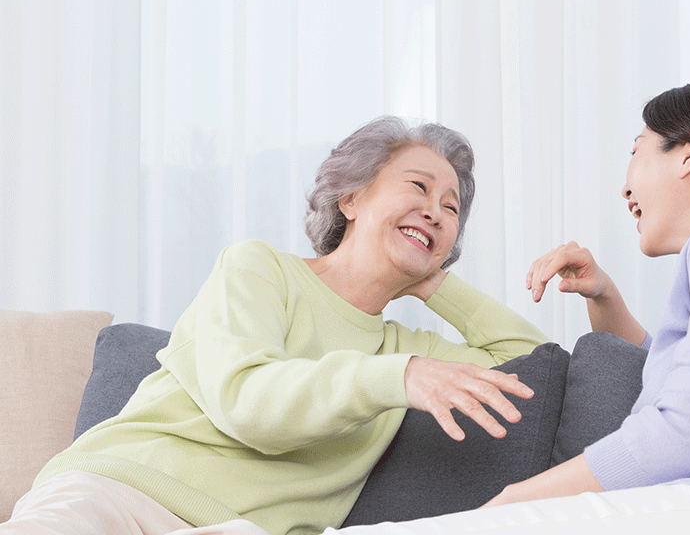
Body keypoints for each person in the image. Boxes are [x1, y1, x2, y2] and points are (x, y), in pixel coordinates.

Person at [324, 78, 690, 535]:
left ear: (688, 154)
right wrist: (605, 297)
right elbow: (681, 374)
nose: (625, 185)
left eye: (636, 149)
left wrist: (515, 501)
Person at [2, 117, 549, 535]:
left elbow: (537, 366)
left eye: (451, 209)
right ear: (352, 197)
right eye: (418, 187)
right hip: (119, 493)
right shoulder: (260, 270)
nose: (435, 212)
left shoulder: (407, 349)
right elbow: (248, 401)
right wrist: (398, 377)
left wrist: (436, 282)